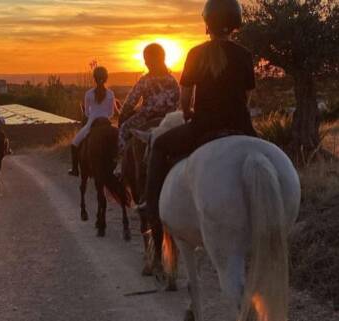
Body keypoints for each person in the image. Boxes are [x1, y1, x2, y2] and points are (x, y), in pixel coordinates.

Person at [141, 0, 258, 220]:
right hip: (241, 126)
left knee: (158, 145)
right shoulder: (244, 54)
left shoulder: (195, 54)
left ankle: (151, 206)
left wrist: (187, 112)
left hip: (204, 126)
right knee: (271, 153)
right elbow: (247, 96)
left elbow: (185, 96)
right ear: (236, 23)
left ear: (207, 24)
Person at [118, 43, 180, 152]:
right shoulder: (173, 80)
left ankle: (120, 161)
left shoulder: (145, 80)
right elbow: (178, 102)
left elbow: (131, 101)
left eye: (147, 59)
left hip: (146, 117)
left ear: (153, 60)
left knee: (123, 129)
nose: (145, 62)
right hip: (169, 119)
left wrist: (123, 114)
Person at [68, 66, 120, 176]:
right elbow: (111, 113)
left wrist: (93, 114)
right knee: (122, 143)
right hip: (106, 122)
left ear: (94, 78)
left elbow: (86, 113)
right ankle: (120, 168)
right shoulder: (111, 94)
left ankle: (75, 170)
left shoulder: (88, 94)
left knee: (74, 144)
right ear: (106, 78)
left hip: (92, 123)